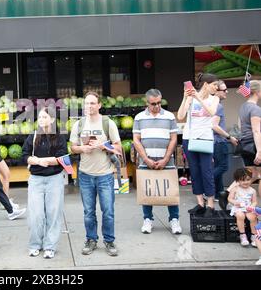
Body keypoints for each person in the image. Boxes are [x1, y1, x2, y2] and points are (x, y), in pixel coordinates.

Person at [70, 91, 121, 256]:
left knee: (108, 211)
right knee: (88, 212)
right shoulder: (78, 125)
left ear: (99, 105)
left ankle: (109, 240)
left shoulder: (108, 123)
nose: (89, 106)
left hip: (105, 175)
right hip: (85, 175)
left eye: (92, 103)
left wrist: (103, 146)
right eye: (87, 103)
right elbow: (73, 147)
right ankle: (91, 239)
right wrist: (82, 148)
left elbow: (118, 148)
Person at [133, 89, 182, 235]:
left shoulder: (169, 117)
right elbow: (136, 139)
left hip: (166, 159)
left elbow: (174, 138)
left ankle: (174, 220)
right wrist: (146, 159)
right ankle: (147, 219)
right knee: (147, 190)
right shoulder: (139, 117)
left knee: (170, 189)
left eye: (159, 102)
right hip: (146, 159)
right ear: (147, 103)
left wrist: (166, 158)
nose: (157, 106)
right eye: (153, 103)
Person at [22, 107, 68, 259]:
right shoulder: (34, 136)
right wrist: (35, 161)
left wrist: (45, 161)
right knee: (36, 215)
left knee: (53, 214)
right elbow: (25, 155)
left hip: (54, 179)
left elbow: (62, 158)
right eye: (40, 117)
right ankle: (35, 244)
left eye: (44, 117)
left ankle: (50, 246)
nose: (41, 120)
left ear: (52, 120)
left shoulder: (59, 137)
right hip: (36, 180)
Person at [178, 73, 220, 218]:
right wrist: (185, 97)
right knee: (194, 171)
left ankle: (210, 205)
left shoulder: (215, 98)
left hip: (205, 139)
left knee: (207, 171)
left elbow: (211, 112)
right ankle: (200, 203)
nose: (217, 87)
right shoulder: (190, 97)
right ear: (206, 84)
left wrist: (198, 98)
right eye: (215, 84)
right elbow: (180, 116)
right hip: (189, 138)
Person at [212, 81, 238, 203]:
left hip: (213, 142)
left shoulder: (210, 104)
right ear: (216, 91)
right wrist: (229, 137)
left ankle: (218, 194)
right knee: (223, 167)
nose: (227, 91)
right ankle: (206, 182)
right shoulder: (218, 106)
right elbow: (214, 126)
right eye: (224, 89)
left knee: (218, 167)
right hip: (219, 142)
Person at [227, 168, 258, 247]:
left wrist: (252, 206)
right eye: (243, 180)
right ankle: (243, 235)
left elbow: (254, 201)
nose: (246, 182)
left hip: (248, 208)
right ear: (237, 181)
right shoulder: (235, 189)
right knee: (240, 216)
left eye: (248, 179)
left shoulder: (252, 190)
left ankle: (254, 235)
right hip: (237, 207)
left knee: (253, 217)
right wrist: (235, 202)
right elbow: (229, 198)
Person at [238, 80, 261, 167]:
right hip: (254, 145)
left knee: (250, 175)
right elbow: (256, 131)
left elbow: (240, 126)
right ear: (257, 92)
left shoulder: (243, 107)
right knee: (257, 176)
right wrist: (259, 151)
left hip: (244, 146)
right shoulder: (256, 109)